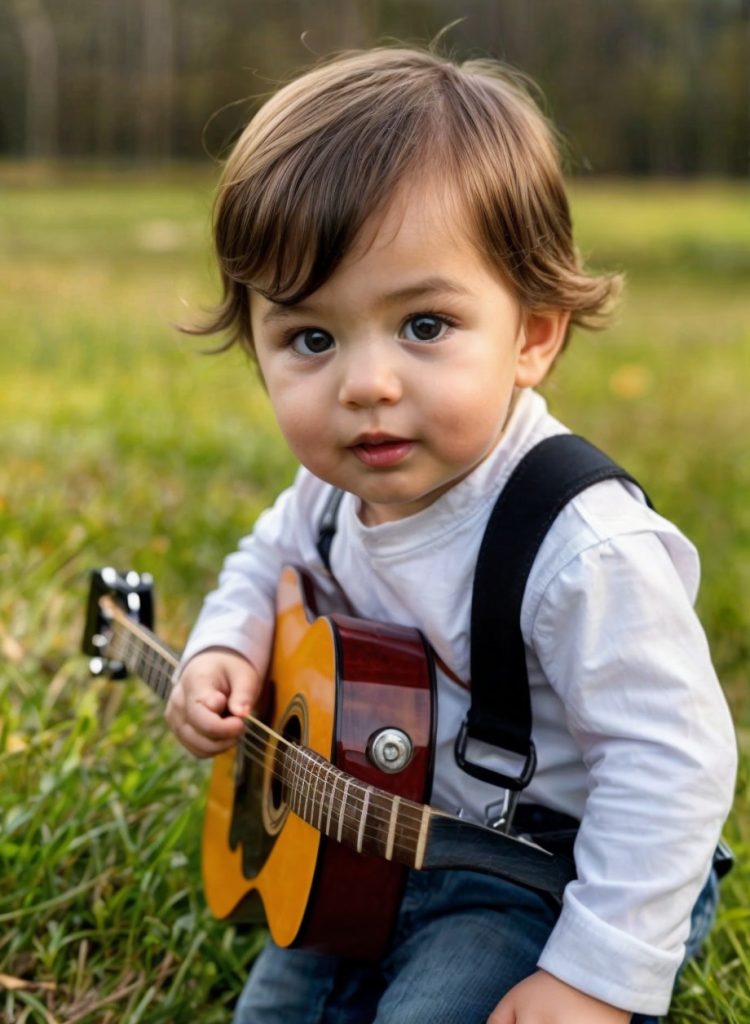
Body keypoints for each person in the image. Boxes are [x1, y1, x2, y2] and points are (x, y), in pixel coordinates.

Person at [165, 46, 737, 1024]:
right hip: (367, 848)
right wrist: (225, 640)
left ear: (534, 332)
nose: (366, 384)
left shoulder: (579, 544)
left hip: (539, 876)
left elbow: (672, 761)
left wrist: (593, 977)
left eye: (424, 325)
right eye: (312, 337)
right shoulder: (328, 491)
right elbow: (267, 559)